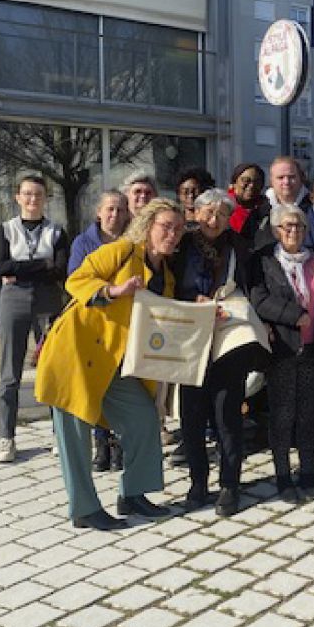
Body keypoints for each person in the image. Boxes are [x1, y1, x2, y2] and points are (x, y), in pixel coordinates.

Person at [35, 198, 184, 530]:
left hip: (115, 362)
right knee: (75, 435)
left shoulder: (167, 277)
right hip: (76, 353)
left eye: (177, 229)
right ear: (147, 226)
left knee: (144, 420)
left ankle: (133, 494)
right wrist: (113, 290)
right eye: (165, 226)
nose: (172, 234)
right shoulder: (122, 251)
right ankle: (84, 509)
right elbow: (77, 280)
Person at [173, 189, 263, 517]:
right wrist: (191, 299)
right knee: (192, 414)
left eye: (222, 214)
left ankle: (230, 484)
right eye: (208, 213)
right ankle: (198, 481)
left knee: (227, 413)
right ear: (195, 214)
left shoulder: (239, 246)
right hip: (190, 332)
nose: (214, 220)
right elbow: (169, 284)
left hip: (229, 334)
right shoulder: (181, 245)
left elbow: (252, 286)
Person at [251, 204, 314, 503]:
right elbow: (259, 300)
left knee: (308, 414)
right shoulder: (265, 262)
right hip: (282, 348)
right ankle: (283, 476)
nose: (293, 230)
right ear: (275, 231)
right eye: (287, 226)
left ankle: (308, 473)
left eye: (298, 226)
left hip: (311, 349)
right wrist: (293, 314)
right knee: (283, 415)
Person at [0, 175, 69, 463]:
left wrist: (22, 268)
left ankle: (59, 435)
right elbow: (1, 267)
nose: (32, 199)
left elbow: (61, 270)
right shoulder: (6, 230)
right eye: (27, 194)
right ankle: (6, 438)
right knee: (10, 373)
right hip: (13, 300)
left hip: (48, 300)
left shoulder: (57, 231)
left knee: (53, 370)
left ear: (45, 198)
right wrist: (43, 264)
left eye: (38, 194)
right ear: (17, 197)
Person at [68, 190, 131, 472]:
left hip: (121, 323)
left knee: (118, 384)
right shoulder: (84, 242)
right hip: (91, 321)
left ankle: (118, 443)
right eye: (109, 209)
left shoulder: (132, 244)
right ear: (98, 212)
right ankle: (100, 443)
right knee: (97, 384)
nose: (114, 215)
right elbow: (76, 277)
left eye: (119, 210)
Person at [227, 163, 269, 241]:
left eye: (257, 181)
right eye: (246, 180)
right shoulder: (223, 208)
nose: (252, 185)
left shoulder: (268, 209)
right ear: (234, 183)